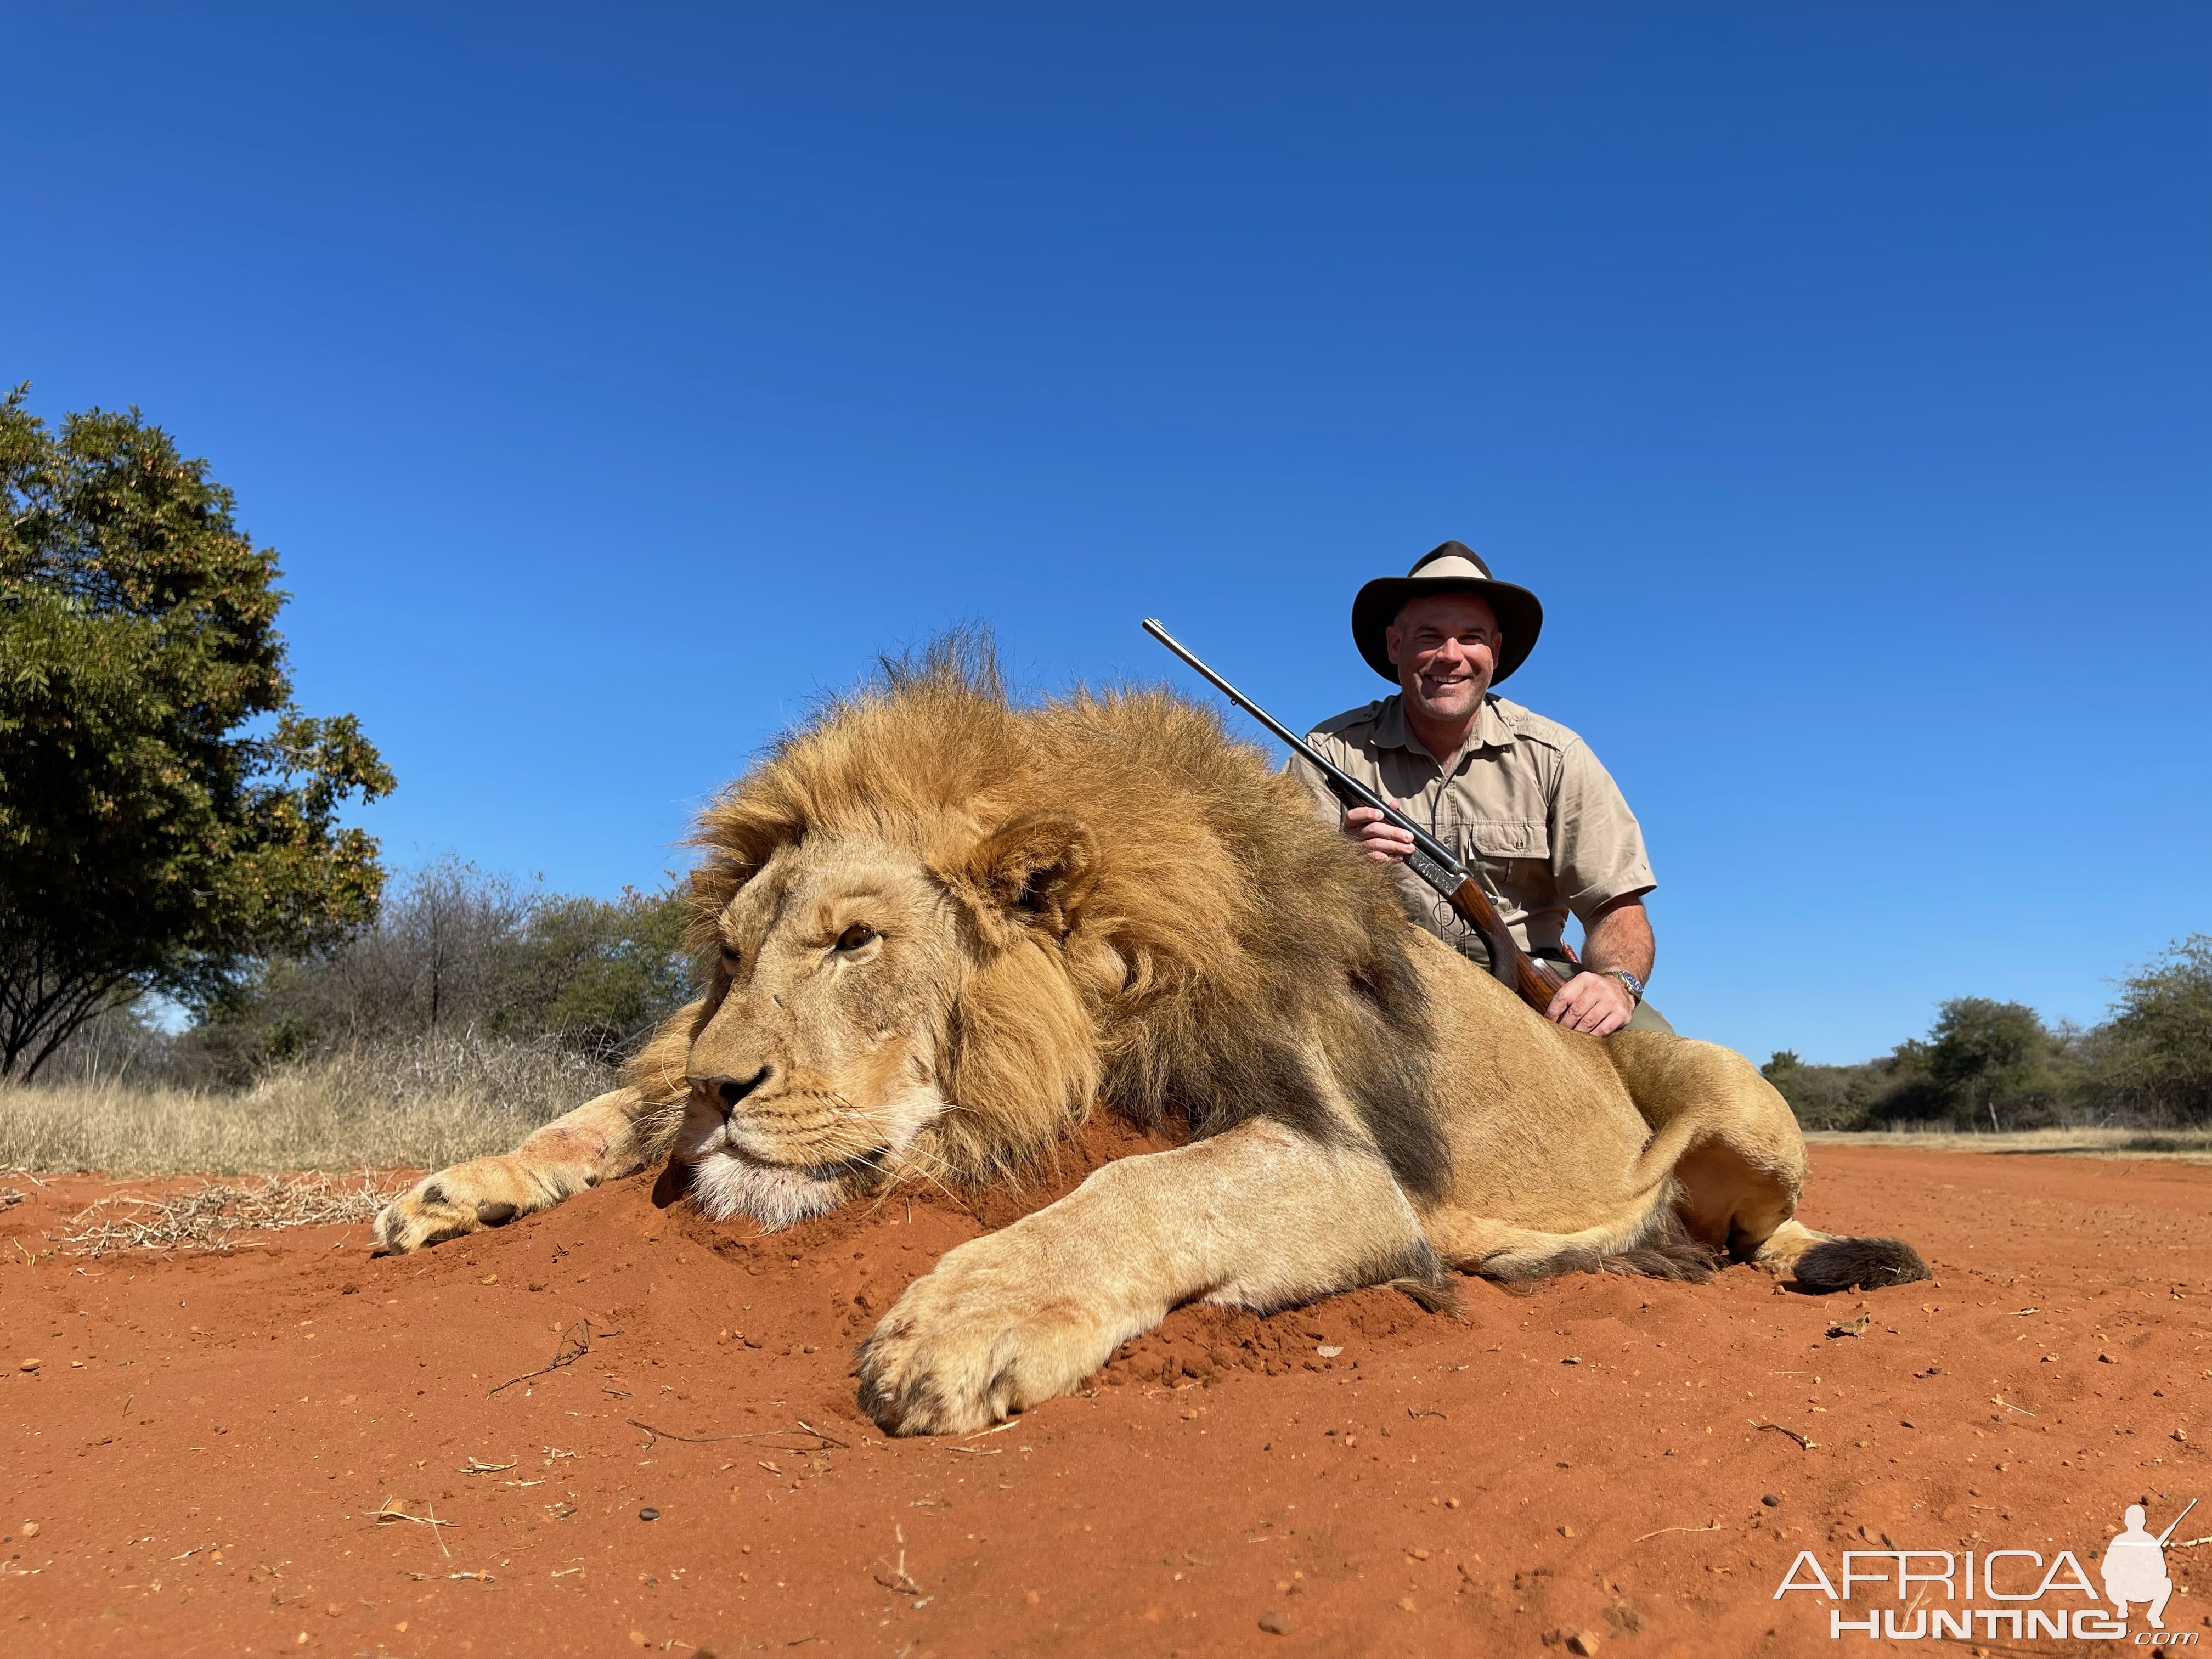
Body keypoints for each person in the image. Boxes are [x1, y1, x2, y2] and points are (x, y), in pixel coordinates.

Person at [1294, 540, 1670, 1037]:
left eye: (1470, 637)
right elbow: (1284, 909)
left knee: (1668, 1060)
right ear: (1394, 646)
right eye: (1430, 637)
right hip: (1380, 982)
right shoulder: (1327, 754)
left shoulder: (1556, 755)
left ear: (1493, 650)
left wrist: (1615, 985)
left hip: (1535, 977)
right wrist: (1340, 867)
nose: (1450, 657)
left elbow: (1615, 909)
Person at [2101, 1504, 2175, 1629]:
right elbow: (2163, 1572)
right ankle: (2123, 1606)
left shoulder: (2122, 1540)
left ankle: (2152, 1615)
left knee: (2166, 1583)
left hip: (2137, 1588)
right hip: (2127, 1589)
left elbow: (2162, 1571)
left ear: (2126, 1522)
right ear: (2144, 1522)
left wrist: (2146, 1567)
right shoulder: (2124, 1541)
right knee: (2166, 1583)